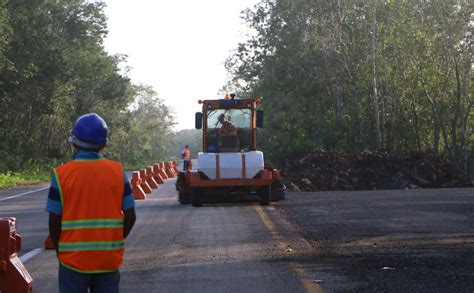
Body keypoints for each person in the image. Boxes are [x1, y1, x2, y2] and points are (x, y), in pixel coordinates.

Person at [45, 113, 136, 293]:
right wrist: (112, 242)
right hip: (107, 260)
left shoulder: (61, 175)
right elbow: (131, 216)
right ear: (103, 144)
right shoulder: (117, 172)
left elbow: (54, 222)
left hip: (73, 261)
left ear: (74, 142)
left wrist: (60, 252)